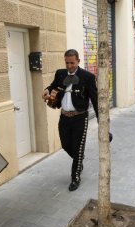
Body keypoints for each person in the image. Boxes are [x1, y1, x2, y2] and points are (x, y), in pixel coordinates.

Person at [42, 49, 98, 192]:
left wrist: (101, 123)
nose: (69, 66)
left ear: (78, 61)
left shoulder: (88, 77)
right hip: (64, 117)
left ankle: (75, 177)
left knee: (78, 147)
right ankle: (79, 159)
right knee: (66, 145)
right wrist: (47, 90)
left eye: (72, 63)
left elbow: (96, 100)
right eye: (67, 63)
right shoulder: (60, 73)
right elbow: (53, 85)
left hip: (80, 117)